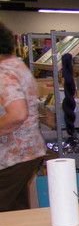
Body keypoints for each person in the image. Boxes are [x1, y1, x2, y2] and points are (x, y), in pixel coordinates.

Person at [0, 22, 47, 212]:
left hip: (13, 155)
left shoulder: (3, 72)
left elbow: (17, 113)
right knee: (15, 212)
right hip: (27, 153)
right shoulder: (17, 65)